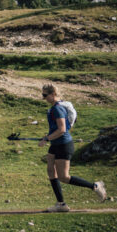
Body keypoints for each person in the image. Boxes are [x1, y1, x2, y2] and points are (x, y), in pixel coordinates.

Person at [39, 84, 106, 212]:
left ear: (53, 94)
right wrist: (48, 137)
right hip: (56, 145)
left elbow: (62, 129)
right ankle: (61, 205)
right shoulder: (55, 108)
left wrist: (47, 138)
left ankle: (95, 186)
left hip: (64, 145)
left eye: (45, 95)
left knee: (64, 177)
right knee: (51, 171)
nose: (43, 98)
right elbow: (57, 129)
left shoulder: (57, 109)